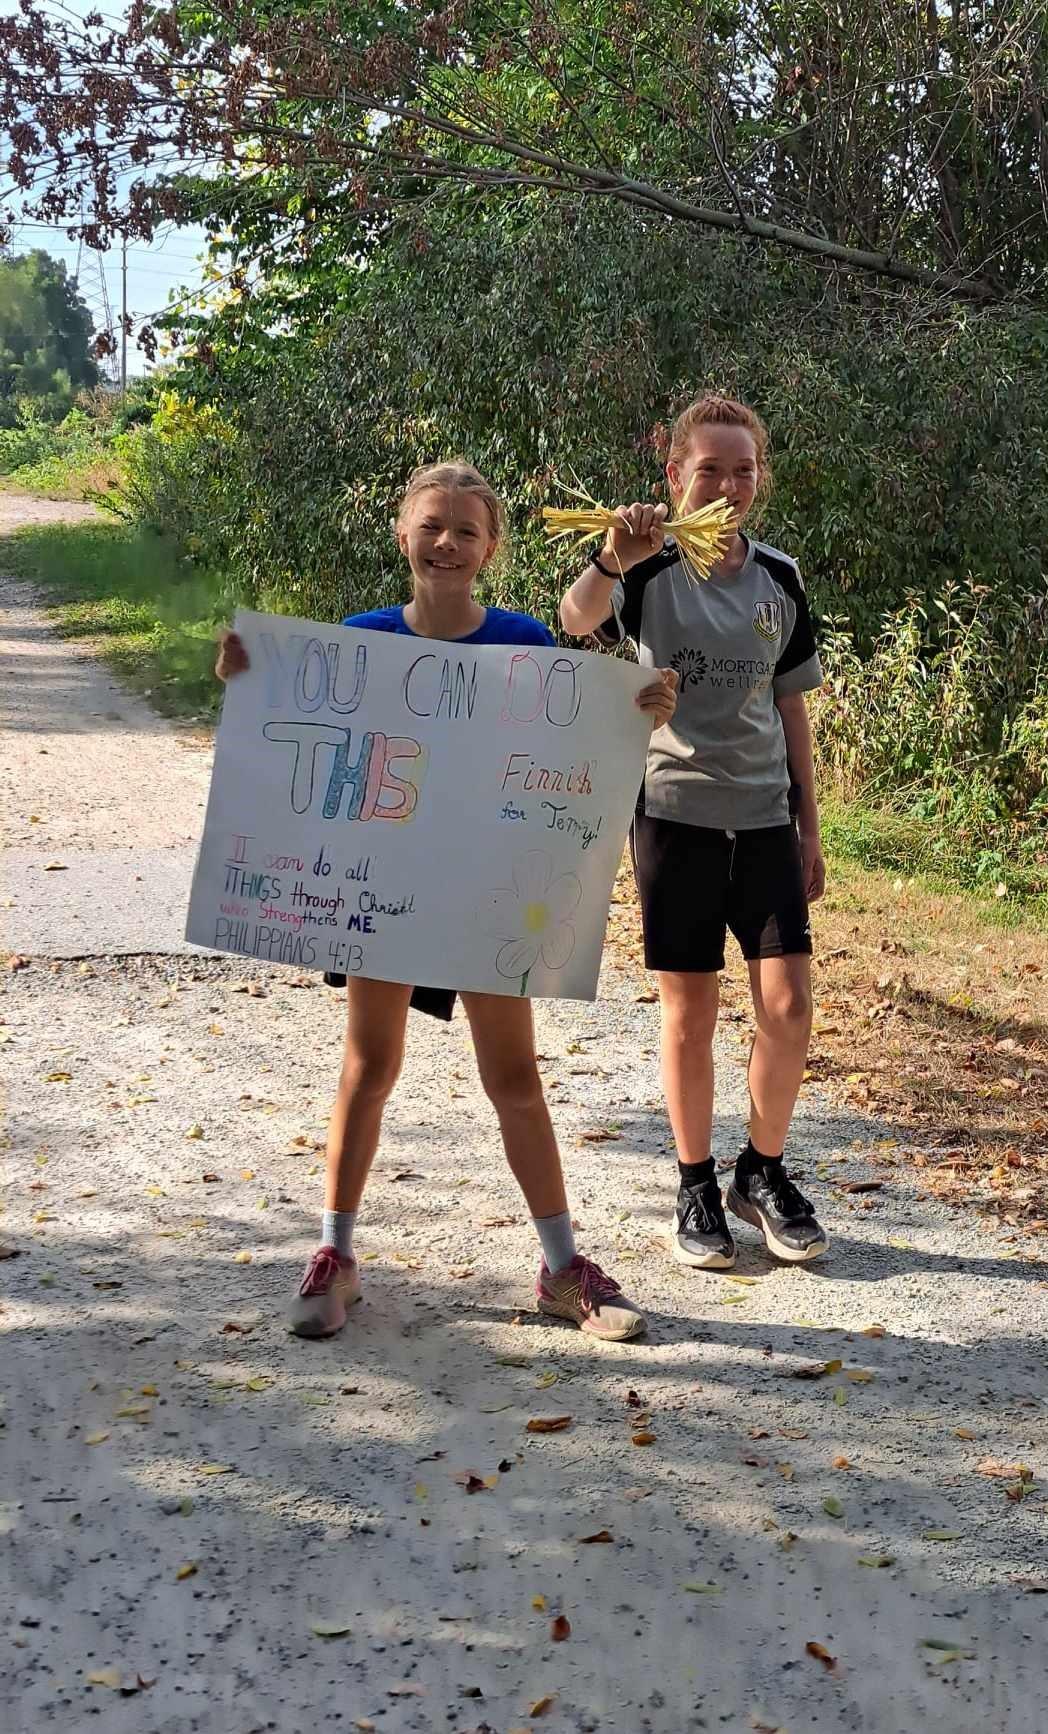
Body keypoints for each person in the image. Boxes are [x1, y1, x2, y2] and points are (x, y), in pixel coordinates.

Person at [215, 459, 678, 1340]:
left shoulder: (524, 641)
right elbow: (292, 730)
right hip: (383, 892)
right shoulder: (357, 642)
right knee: (368, 1067)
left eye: (466, 530)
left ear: (490, 548)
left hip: (485, 895)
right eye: (431, 525)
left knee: (514, 1077)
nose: (446, 543)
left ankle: (561, 1268)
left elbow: (573, 749)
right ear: (402, 533)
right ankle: (335, 1254)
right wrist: (247, 674)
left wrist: (639, 712)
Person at [560, 395, 829, 1272]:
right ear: (674, 475)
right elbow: (574, 618)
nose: (726, 484)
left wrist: (809, 827)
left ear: (759, 478)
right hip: (673, 813)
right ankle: (694, 1183)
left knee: (787, 1007)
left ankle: (761, 1170)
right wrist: (612, 554)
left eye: (742, 469)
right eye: (708, 468)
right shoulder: (647, 569)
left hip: (764, 819)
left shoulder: (778, 577)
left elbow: (790, 706)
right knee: (691, 1013)